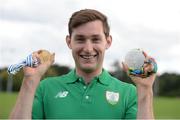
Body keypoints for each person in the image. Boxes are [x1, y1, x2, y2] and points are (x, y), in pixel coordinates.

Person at [9, 9, 156, 119]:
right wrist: (30, 80)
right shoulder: (45, 88)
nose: (87, 48)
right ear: (69, 42)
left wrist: (145, 89)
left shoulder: (129, 93)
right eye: (80, 39)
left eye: (95, 39)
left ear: (108, 42)